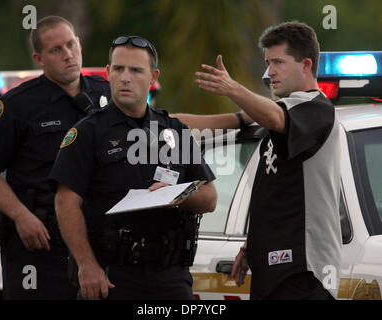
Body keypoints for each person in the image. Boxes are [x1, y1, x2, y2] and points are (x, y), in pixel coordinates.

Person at [50, 35, 217, 300]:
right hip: (113, 277)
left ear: (153, 77)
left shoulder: (173, 130)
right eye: (118, 69)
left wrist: (178, 196)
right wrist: (86, 264)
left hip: (170, 277)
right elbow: (65, 202)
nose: (125, 77)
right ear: (107, 73)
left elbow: (210, 198)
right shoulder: (88, 132)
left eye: (136, 70)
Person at [196, 21, 342, 300]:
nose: (269, 71)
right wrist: (253, 246)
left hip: (304, 272)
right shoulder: (280, 121)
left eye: (278, 62)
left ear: (306, 64)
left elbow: (277, 116)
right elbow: (276, 194)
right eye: (267, 62)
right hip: (274, 271)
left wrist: (231, 88)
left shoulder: (315, 108)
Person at [0, 16, 111, 299]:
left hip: (99, 242)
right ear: (39, 58)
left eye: (71, 44)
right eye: (56, 50)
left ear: (79, 43)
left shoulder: (106, 95)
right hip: (41, 244)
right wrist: (19, 215)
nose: (68, 55)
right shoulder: (18, 105)